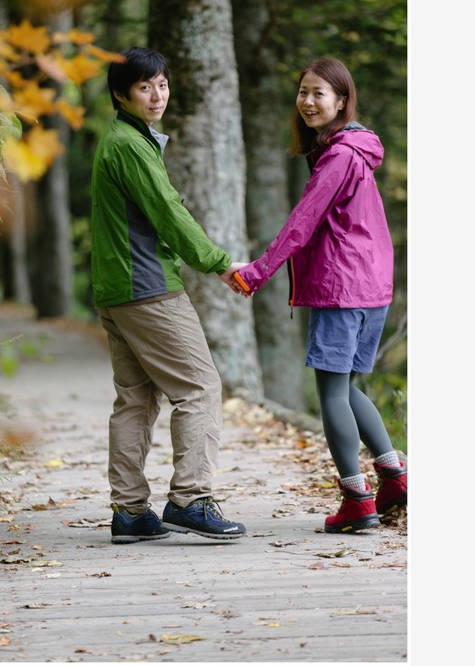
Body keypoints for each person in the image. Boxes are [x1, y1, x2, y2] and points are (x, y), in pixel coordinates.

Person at [230, 57, 406, 533]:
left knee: (331, 392)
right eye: (303, 92)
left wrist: (256, 272)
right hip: (371, 287)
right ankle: (394, 476)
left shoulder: (340, 156)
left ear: (342, 101)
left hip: (343, 287)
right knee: (347, 387)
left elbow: (302, 223)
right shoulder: (356, 150)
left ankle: (356, 500)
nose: (308, 102)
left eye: (319, 94)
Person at [89, 47, 247, 544]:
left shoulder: (126, 139)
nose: (157, 95)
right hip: (146, 287)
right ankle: (191, 499)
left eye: (162, 84)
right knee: (199, 388)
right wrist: (219, 263)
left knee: (135, 399)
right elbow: (167, 211)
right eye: (144, 87)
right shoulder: (129, 145)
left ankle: (131, 513)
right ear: (121, 94)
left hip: (118, 287)